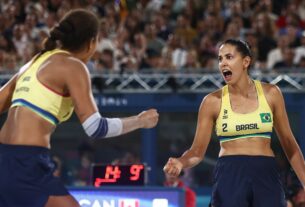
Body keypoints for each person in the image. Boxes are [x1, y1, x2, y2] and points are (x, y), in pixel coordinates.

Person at [0, 9, 159, 207]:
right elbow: (96, 128)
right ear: (92, 42)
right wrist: (141, 121)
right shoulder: (74, 66)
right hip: (26, 162)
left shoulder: (34, 62)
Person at [163, 39, 305, 207]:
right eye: (220, 58)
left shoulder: (271, 94)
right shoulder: (211, 102)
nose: (223, 63)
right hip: (230, 175)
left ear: (246, 61)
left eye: (229, 57)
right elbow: (197, 151)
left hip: (266, 174)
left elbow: (290, 145)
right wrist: (181, 162)